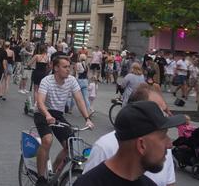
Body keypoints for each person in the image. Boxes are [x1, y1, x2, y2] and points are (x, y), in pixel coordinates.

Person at [83, 84, 177, 186]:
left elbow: (169, 182)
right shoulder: (104, 147)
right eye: (158, 111)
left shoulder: (162, 149)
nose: (170, 144)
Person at [34, 55, 93, 185]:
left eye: (69, 67)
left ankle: (53, 173)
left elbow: (79, 100)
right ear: (56, 68)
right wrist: (47, 115)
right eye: (65, 67)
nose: (69, 70)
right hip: (43, 112)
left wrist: (87, 118)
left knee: (71, 145)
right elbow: (40, 102)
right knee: (47, 140)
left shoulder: (71, 80)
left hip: (58, 114)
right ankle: (40, 178)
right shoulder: (47, 81)